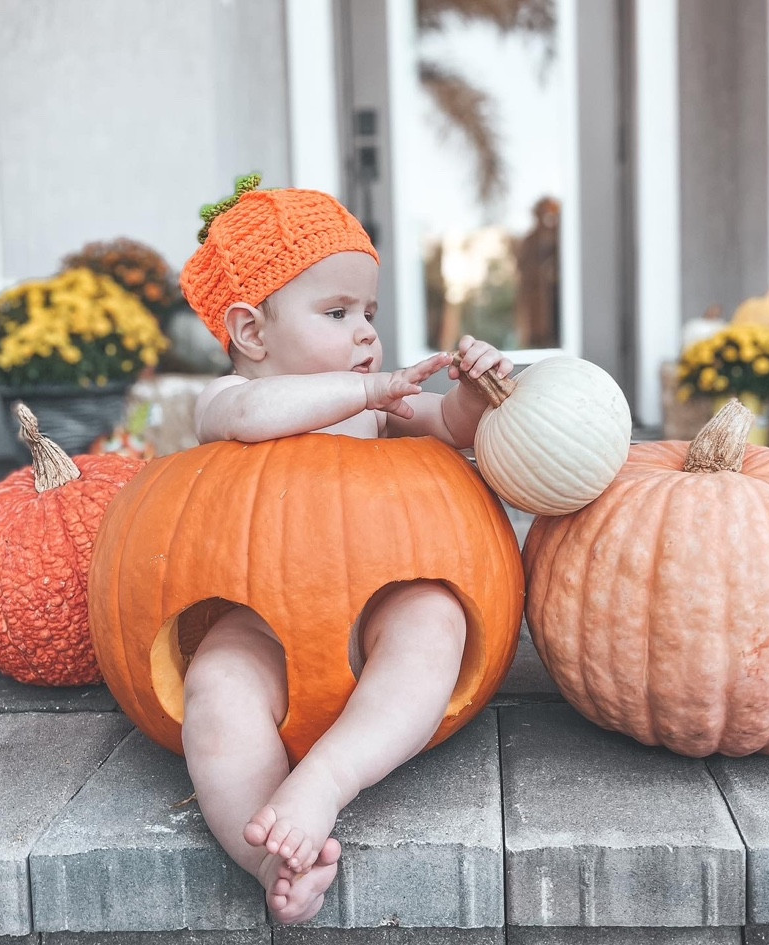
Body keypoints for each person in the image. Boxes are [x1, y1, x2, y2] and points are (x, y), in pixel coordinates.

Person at [178, 177, 514, 924]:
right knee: (217, 685)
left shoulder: (377, 399)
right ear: (252, 332)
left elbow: (451, 426)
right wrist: (365, 395)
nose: (366, 332)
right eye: (336, 313)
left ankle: (328, 777)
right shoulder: (225, 398)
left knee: (434, 621)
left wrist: (474, 388)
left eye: (369, 312)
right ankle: (268, 854)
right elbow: (260, 414)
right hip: (262, 624)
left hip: (374, 614)